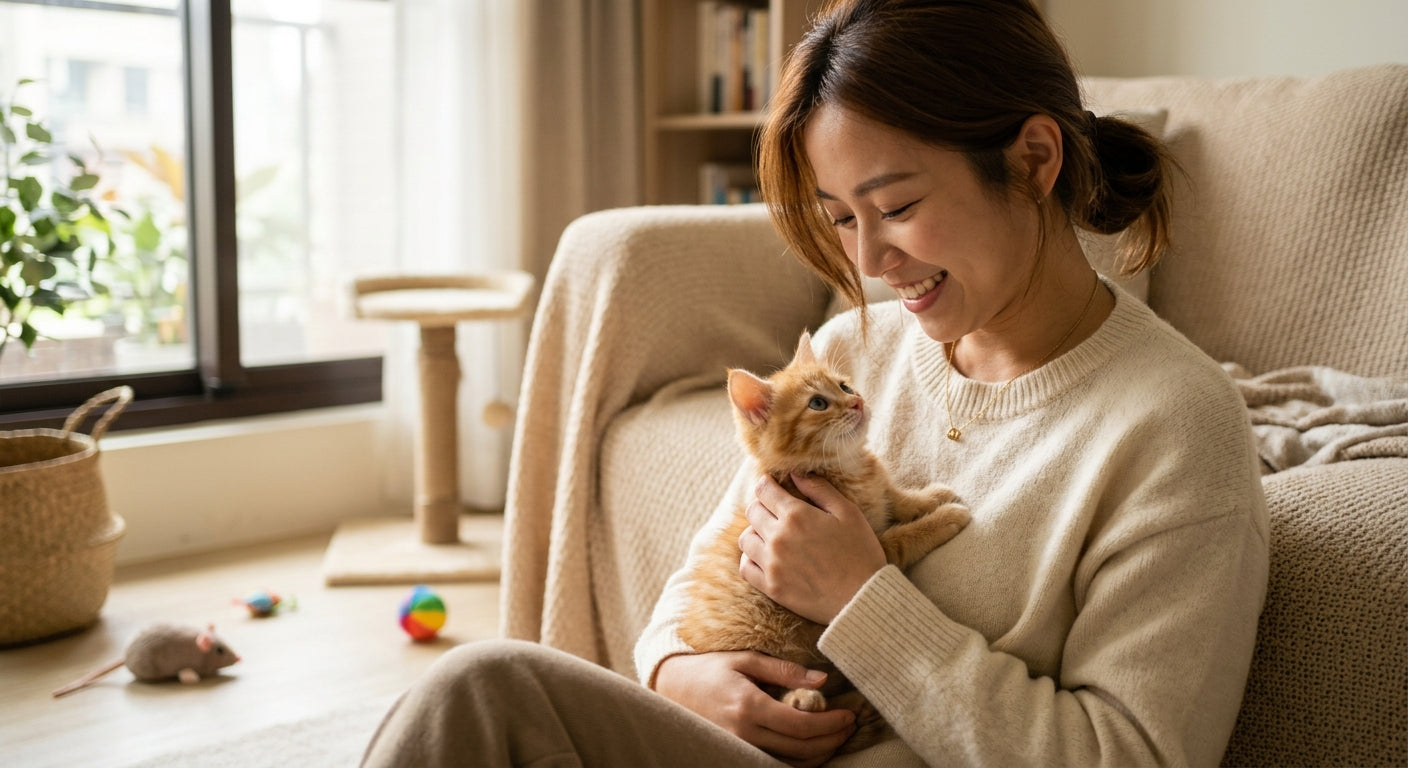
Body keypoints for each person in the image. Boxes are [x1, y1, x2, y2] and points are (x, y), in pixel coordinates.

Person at [360, 0, 1269, 766]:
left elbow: (1132, 754)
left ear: (1034, 160)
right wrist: (681, 674)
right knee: (475, 689)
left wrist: (861, 602)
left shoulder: (1175, 425)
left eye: (899, 207)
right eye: (841, 219)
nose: (872, 261)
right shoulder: (852, 354)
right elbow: (700, 580)